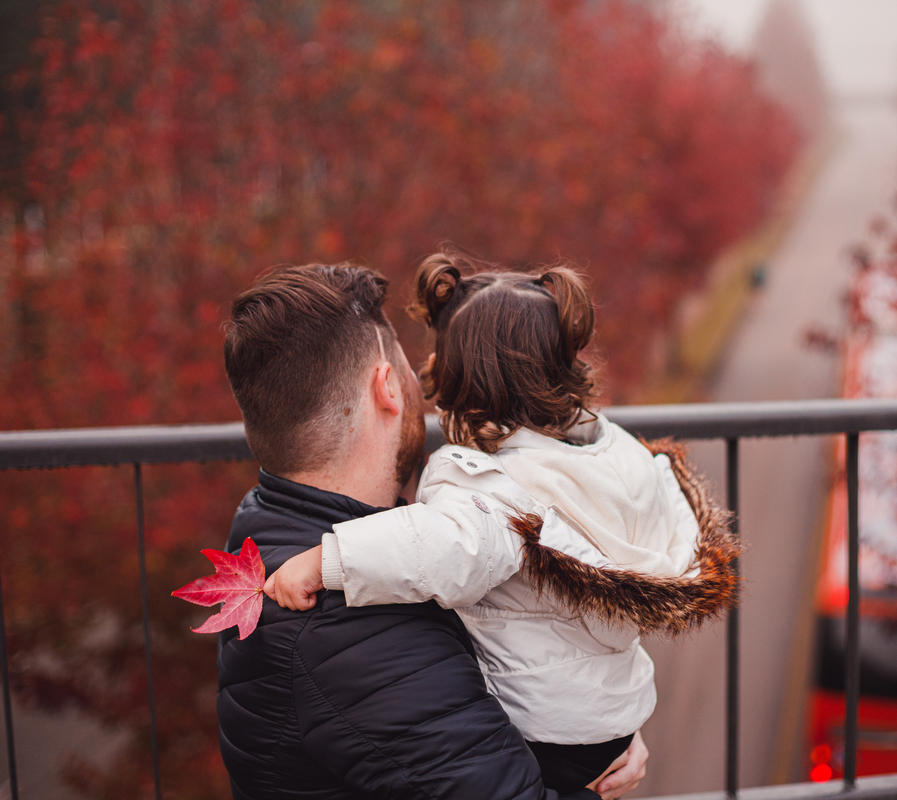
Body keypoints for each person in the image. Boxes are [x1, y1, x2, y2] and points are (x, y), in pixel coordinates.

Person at [266, 251, 739, 794]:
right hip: (612, 716)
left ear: (467, 381)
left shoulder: (492, 491)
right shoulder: (616, 457)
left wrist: (328, 560)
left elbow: (443, 548)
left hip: (543, 728)